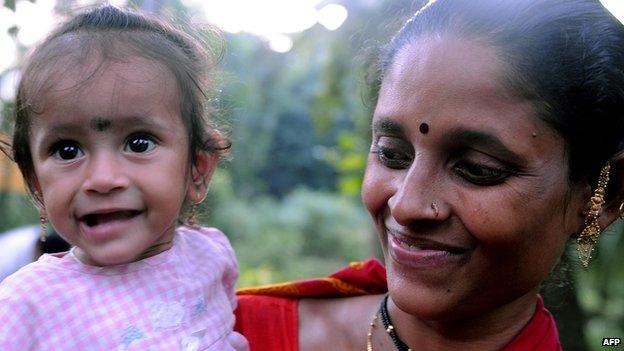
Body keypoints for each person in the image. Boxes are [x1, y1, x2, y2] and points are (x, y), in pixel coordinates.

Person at [234, 0, 624, 350]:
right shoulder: (221, 334)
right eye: (391, 154)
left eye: (477, 169)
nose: (406, 205)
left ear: (603, 197)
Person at [0, 5, 248, 350]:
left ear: (198, 170)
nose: (103, 179)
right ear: (37, 185)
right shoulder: (25, 307)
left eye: (139, 143)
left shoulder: (210, 256)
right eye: (67, 150)